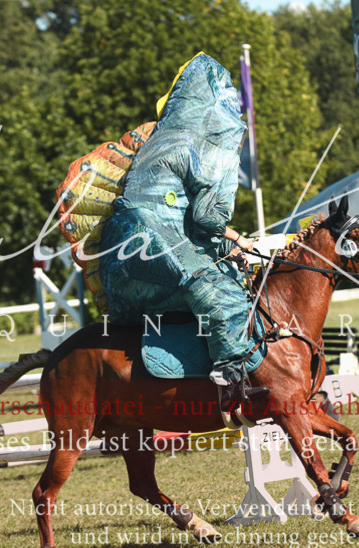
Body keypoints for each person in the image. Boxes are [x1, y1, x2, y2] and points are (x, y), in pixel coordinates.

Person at [97, 54, 257, 411]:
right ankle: (231, 378)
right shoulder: (201, 145)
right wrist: (238, 239)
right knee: (221, 293)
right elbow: (205, 217)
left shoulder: (163, 137)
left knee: (222, 276)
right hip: (148, 239)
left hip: (121, 261)